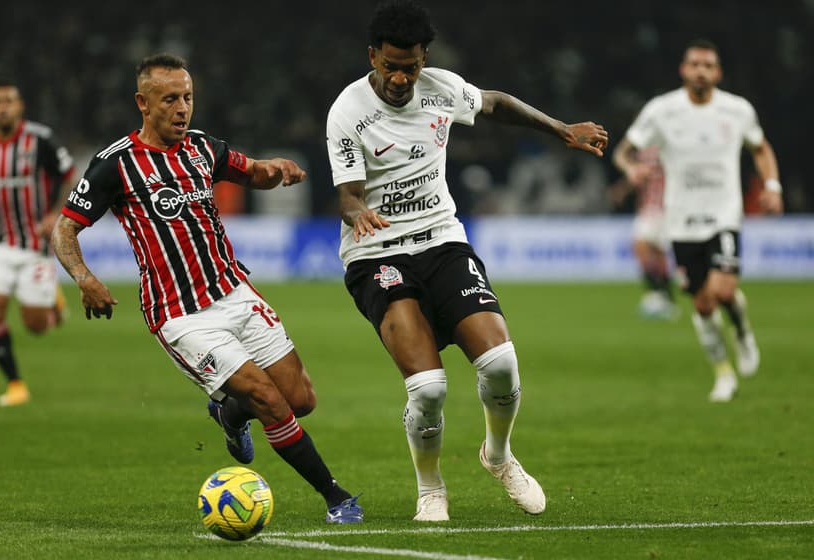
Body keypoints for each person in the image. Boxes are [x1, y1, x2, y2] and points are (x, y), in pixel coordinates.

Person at [326, 0, 608, 521]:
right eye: (390, 66)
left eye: (410, 67)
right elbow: (347, 196)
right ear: (372, 57)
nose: (400, 78)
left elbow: (495, 103)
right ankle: (430, 488)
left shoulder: (441, 88)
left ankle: (497, 455)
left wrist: (561, 128)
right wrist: (357, 212)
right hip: (377, 253)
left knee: (501, 364)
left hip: (442, 241)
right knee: (428, 388)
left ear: (423, 59)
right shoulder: (348, 111)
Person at [51, 53, 363, 524]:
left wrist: (276, 169)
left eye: (188, 97)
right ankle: (336, 496)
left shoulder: (202, 147)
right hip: (180, 315)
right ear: (143, 103)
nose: (182, 108)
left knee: (301, 400)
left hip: (234, 291)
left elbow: (250, 171)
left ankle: (230, 414)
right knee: (269, 400)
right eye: (169, 99)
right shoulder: (115, 164)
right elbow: (65, 229)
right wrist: (84, 277)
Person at [613, 39, 783, 403]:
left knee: (724, 291)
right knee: (703, 305)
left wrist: (772, 185)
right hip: (680, 222)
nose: (701, 71)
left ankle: (741, 330)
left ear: (718, 73)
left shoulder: (737, 110)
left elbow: (760, 148)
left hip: (724, 215)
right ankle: (723, 374)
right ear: (683, 70)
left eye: (708, 65)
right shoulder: (662, 110)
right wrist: (631, 169)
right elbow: (624, 151)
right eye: (695, 64)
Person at [0, 80, 75, 407]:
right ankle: (15, 384)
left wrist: (55, 214)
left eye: (9, 101)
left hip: (34, 244)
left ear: (20, 107)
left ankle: (53, 301)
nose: (3, 107)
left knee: (37, 327)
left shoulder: (40, 140)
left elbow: (68, 175)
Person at [609, 146, 677, 319]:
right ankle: (662, 297)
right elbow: (637, 175)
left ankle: (659, 295)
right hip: (648, 208)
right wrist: (622, 190)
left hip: (665, 208)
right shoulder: (644, 149)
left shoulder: (669, 147)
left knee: (650, 250)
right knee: (649, 250)